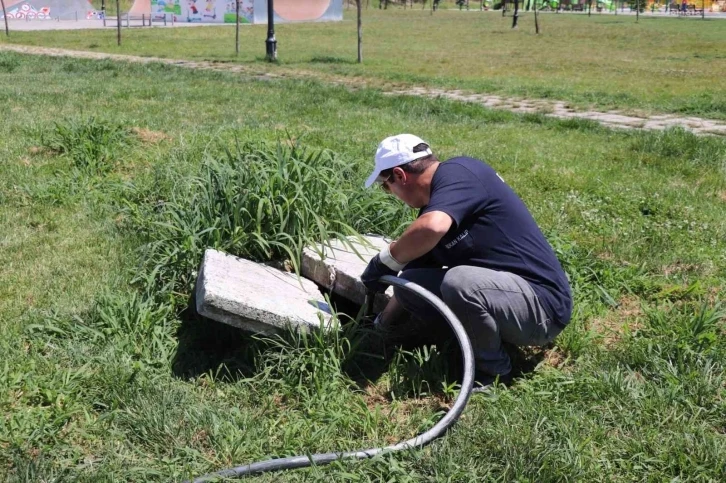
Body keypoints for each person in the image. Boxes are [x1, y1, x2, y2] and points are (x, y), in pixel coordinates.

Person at [360, 134, 572, 390]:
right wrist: (379, 326)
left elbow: (430, 227)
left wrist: (385, 261)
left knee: (459, 282)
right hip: (508, 300)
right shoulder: (444, 203)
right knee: (412, 284)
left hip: (543, 308)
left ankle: (492, 373)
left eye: (386, 185)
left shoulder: (459, 173)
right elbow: (409, 279)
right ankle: (467, 343)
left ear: (399, 175)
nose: (389, 193)